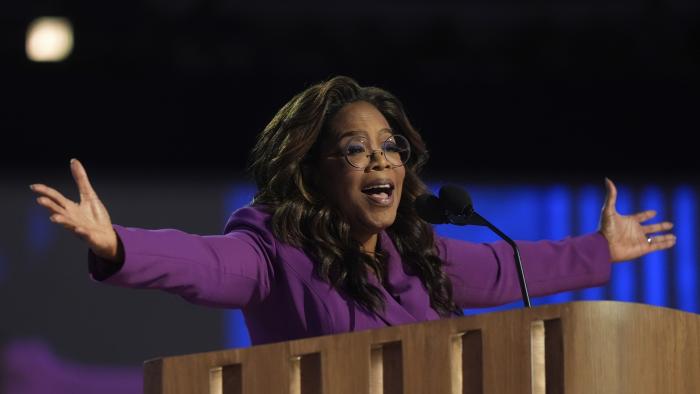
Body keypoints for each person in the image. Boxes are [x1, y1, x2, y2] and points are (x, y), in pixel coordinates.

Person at [29, 76, 676, 346]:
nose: (382, 162)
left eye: (391, 148)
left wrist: (603, 250)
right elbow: (199, 263)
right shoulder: (272, 252)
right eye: (356, 150)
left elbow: (512, 272)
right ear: (314, 172)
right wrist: (116, 244)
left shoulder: (422, 255)